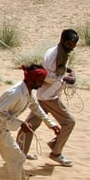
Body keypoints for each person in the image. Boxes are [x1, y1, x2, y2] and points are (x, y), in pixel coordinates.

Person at [16, 29, 80, 167]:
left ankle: (19, 152)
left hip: (44, 95)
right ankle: (56, 152)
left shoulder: (59, 52)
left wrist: (67, 71)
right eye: (69, 44)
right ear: (62, 40)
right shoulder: (55, 55)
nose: (71, 48)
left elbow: (56, 70)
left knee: (31, 125)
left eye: (73, 46)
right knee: (69, 122)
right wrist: (66, 79)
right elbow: (48, 75)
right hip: (49, 96)